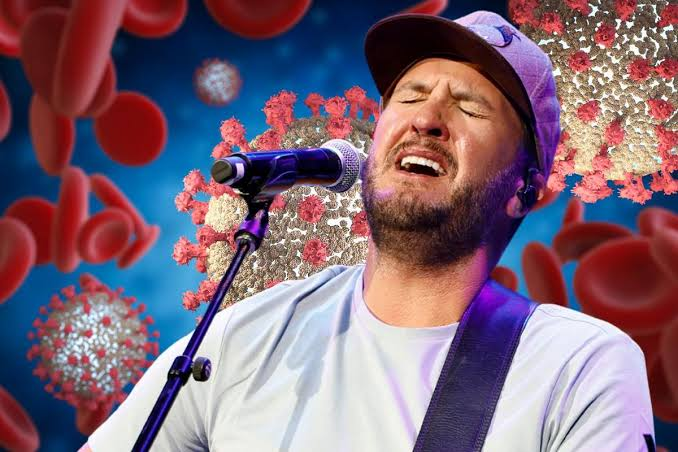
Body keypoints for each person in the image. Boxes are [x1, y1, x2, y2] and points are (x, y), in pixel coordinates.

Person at [82, 10, 655, 452]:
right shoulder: (244, 337)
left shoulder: (579, 368)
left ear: (524, 189)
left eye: (470, 107)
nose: (426, 118)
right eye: (410, 95)